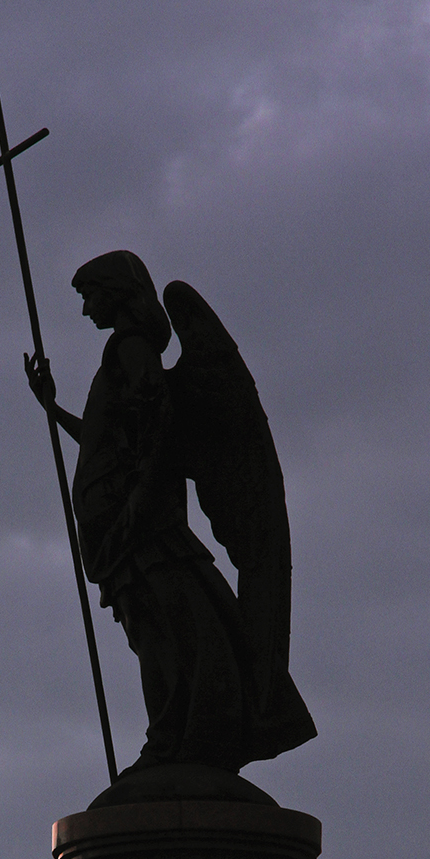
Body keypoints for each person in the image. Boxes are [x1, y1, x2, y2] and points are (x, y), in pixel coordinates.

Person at [26, 250, 314, 777]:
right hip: (121, 528)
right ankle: (171, 734)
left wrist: (137, 504)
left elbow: (156, 423)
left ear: (117, 290)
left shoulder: (131, 348)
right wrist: (52, 407)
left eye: (90, 295)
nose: (86, 309)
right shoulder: (125, 350)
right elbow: (106, 441)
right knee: (153, 633)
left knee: (167, 632)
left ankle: (175, 736)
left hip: (141, 528)